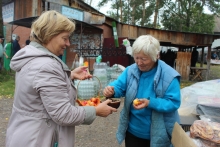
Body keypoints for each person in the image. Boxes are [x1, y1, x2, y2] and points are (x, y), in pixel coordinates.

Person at [6, 10, 117, 147]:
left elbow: (38, 83)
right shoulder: (45, 66)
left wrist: (70, 75)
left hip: (26, 134)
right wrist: (95, 110)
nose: (68, 44)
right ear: (48, 36)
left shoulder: (32, 57)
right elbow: (63, 114)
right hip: (39, 140)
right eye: (65, 38)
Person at [103, 35, 181, 147]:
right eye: (136, 57)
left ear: (156, 56)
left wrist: (150, 103)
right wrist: (111, 90)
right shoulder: (131, 70)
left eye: (144, 59)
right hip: (133, 133)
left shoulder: (169, 76)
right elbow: (119, 86)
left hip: (159, 134)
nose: (139, 63)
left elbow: (173, 102)